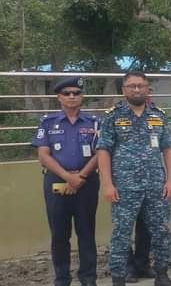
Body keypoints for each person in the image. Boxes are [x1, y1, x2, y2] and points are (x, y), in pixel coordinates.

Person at [97, 72, 171, 286]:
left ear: (147, 88)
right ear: (123, 89)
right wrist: (107, 184)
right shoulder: (113, 116)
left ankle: (161, 273)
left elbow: (168, 149)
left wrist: (170, 181)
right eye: (131, 86)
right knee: (121, 233)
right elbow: (103, 151)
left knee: (161, 230)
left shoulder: (159, 115)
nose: (136, 89)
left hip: (156, 186)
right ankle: (119, 278)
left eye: (141, 85)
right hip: (124, 187)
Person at [33, 77, 100, 286]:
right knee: (59, 234)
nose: (72, 96)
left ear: (82, 97)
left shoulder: (95, 123)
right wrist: (68, 177)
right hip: (56, 183)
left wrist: (80, 177)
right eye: (67, 93)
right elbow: (43, 155)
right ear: (59, 97)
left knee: (87, 232)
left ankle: (88, 278)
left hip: (86, 182)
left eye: (76, 93)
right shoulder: (47, 122)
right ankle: (62, 278)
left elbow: (100, 153)